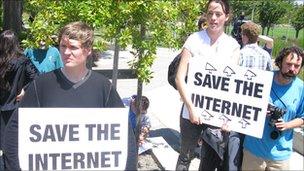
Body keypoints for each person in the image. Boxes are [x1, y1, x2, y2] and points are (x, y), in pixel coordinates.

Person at [3, 21, 137, 170]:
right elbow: (13, 133)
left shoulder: (104, 87)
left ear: (88, 50)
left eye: (73, 47)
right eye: (63, 46)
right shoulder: (41, 84)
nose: (66, 52)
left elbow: (125, 139)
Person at [175, 0, 240, 170]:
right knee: (185, 157)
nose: (213, 18)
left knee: (210, 160)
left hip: (217, 116)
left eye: (218, 14)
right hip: (190, 113)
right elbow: (179, 77)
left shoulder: (232, 46)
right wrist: (190, 108)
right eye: (210, 13)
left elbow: (232, 86)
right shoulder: (194, 39)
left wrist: (228, 117)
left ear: (227, 17)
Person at [242, 46, 304, 170]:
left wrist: (287, 125)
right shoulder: (262, 79)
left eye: (297, 66)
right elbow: (242, 103)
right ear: (280, 62)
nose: (292, 69)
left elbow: (302, 117)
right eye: (289, 64)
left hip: (281, 154)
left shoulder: (301, 88)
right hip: (254, 149)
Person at [0, 30, 38, 170]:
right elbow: (36, 77)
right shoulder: (23, 60)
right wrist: (25, 90)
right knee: (12, 146)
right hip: (14, 107)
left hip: (5, 106)